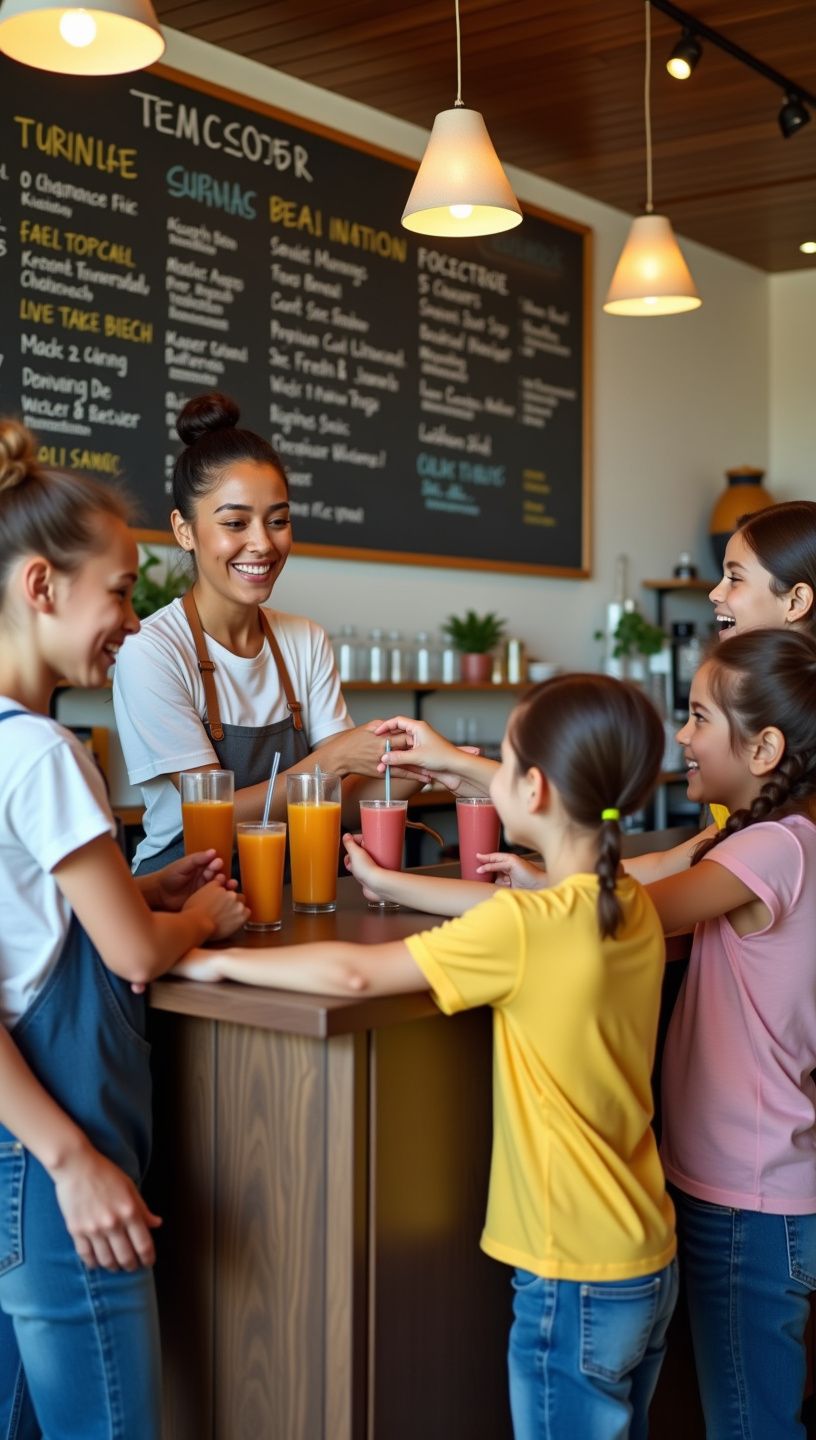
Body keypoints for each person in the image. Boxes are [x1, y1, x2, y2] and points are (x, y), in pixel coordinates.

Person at [178, 674, 678, 1440]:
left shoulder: (531, 928)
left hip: (570, 1274)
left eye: (503, 765)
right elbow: (512, 911)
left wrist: (213, 964)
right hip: (646, 1255)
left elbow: (354, 973)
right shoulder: (623, 904)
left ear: (534, 789)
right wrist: (388, 880)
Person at [0, 420, 248, 1440]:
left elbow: (27, 927)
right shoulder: (49, 753)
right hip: (62, 1162)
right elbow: (132, 958)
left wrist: (139, 890)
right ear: (41, 587)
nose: (136, 623)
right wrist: (197, 913)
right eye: (121, 589)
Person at [377, 499, 816, 888]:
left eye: (734, 579)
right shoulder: (767, 751)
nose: (714, 593)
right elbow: (679, 861)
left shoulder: (788, 775)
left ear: (796, 602)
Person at [113, 391, 407, 875]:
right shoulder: (151, 650)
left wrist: (413, 767)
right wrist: (331, 762)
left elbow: (341, 808)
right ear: (184, 531)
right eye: (235, 522)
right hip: (190, 891)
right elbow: (213, 821)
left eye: (278, 521)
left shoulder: (305, 641)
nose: (263, 544)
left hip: (302, 885)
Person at [642, 627, 816, 1438]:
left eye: (699, 716)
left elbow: (620, 914)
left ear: (765, 746)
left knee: (750, 1424)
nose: (683, 735)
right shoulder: (783, 840)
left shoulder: (770, 849)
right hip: (762, 1185)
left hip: (746, 1198)